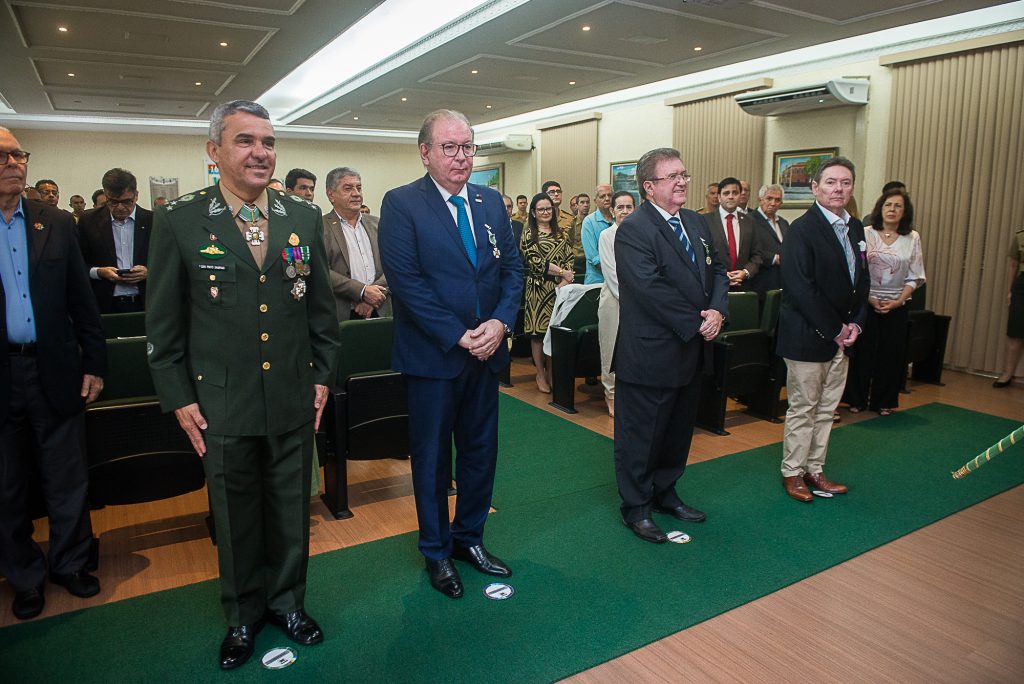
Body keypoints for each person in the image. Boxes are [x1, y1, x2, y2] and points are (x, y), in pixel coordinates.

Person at [145, 100, 340, 669]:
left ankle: (288, 604)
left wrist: (323, 377)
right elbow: (163, 324)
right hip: (220, 398)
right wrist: (177, 394)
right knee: (233, 514)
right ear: (215, 152)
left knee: (289, 508)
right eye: (245, 141)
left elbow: (321, 315)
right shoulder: (181, 219)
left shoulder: (301, 217)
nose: (261, 152)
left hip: (291, 393)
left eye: (269, 142)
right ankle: (242, 616)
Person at [378, 109, 523, 600]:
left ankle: (470, 539)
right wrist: (462, 335)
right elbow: (407, 285)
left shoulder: (489, 202)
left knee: (481, 454)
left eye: (467, 147)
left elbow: (513, 271)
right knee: (434, 460)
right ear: (425, 152)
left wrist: (500, 324)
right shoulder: (401, 204)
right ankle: (437, 551)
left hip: (487, 355)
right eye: (449, 147)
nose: (461, 156)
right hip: (434, 358)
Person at [0, 126, 107, 620]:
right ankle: (23, 576)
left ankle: (69, 563)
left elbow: (81, 302)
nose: (14, 162)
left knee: (67, 476)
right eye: (3, 155)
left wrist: (95, 363)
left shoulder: (54, 222)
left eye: (19, 153)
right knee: (8, 482)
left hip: (55, 367)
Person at [613, 147, 728, 544]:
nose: (681, 182)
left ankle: (666, 493)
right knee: (641, 436)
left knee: (678, 431)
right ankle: (637, 508)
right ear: (648, 187)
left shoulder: (696, 222)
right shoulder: (635, 229)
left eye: (684, 174)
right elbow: (650, 289)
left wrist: (717, 311)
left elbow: (718, 270)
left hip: (693, 347)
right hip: (651, 351)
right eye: (671, 177)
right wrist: (698, 322)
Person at [776, 157, 869, 503]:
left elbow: (863, 280)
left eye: (845, 182)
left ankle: (816, 469)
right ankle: (793, 472)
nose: (838, 189)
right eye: (831, 182)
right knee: (803, 408)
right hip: (806, 336)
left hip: (842, 338)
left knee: (828, 410)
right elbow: (800, 287)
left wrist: (856, 323)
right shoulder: (802, 229)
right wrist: (835, 329)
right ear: (815, 188)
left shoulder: (857, 228)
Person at [844, 189, 926, 415]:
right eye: (888, 205)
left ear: (905, 212)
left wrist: (899, 301)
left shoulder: (913, 238)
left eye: (898, 206)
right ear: (880, 208)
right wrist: (869, 298)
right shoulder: (865, 233)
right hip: (866, 302)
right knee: (863, 351)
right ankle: (856, 399)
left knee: (891, 354)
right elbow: (857, 270)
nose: (892, 210)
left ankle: (884, 401)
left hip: (897, 304)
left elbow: (915, 275)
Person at [520, 192, 575, 393]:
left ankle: (552, 372)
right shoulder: (528, 234)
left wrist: (565, 279)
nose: (545, 212)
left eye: (548, 208)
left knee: (554, 334)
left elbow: (569, 257)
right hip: (538, 289)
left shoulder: (561, 233)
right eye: (541, 209)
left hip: (560, 291)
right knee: (538, 335)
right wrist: (562, 272)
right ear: (533, 213)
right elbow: (535, 262)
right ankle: (540, 374)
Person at [78, 168, 152, 313]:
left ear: (136, 195)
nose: (120, 207)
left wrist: (149, 272)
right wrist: (99, 272)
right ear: (106, 196)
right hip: (104, 304)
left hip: (146, 303)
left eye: (126, 202)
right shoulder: (88, 221)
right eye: (113, 202)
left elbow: (169, 263)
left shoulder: (153, 221)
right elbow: (78, 262)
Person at [322, 166, 390, 320]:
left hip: (381, 308)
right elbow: (321, 270)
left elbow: (394, 264)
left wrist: (374, 297)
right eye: (348, 188)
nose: (356, 194)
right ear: (330, 194)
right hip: (343, 313)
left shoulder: (378, 224)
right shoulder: (320, 227)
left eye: (359, 188)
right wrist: (362, 291)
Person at [596, 190, 635, 417]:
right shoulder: (607, 236)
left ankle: (629, 396)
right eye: (620, 207)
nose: (625, 211)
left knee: (632, 352)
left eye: (629, 207)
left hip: (638, 302)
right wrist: (631, 300)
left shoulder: (641, 234)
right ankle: (611, 396)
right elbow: (611, 274)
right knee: (610, 350)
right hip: (614, 299)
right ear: (612, 211)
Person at [705, 176, 763, 290]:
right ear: (719, 197)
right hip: (714, 285)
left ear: (740, 195)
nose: (731, 196)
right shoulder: (705, 221)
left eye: (735, 193)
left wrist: (745, 272)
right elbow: (702, 255)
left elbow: (757, 254)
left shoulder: (750, 221)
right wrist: (721, 274)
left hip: (743, 285)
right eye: (726, 193)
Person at [747, 183, 789, 299]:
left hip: (781, 282)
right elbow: (748, 250)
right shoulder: (749, 220)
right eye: (769, 198)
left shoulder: (783, 223)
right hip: (760, 281)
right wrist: (774, 258)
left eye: (777, 200)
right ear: (760, 200)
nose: (773, 203)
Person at [993, 228, 1023, 387]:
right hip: (1022, 287)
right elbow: (1013, 264)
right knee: (1015, 332)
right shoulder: (1020, 236)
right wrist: (1010, 291)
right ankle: (1007, 374)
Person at [581, 184, 614, 284]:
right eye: (602, 196)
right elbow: (593, 257)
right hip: (597, 280)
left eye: (610, 195)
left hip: (619, 280)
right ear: (595, 201)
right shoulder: (589, 221)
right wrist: (615, 271)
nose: (607, 199)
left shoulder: (619, 219)